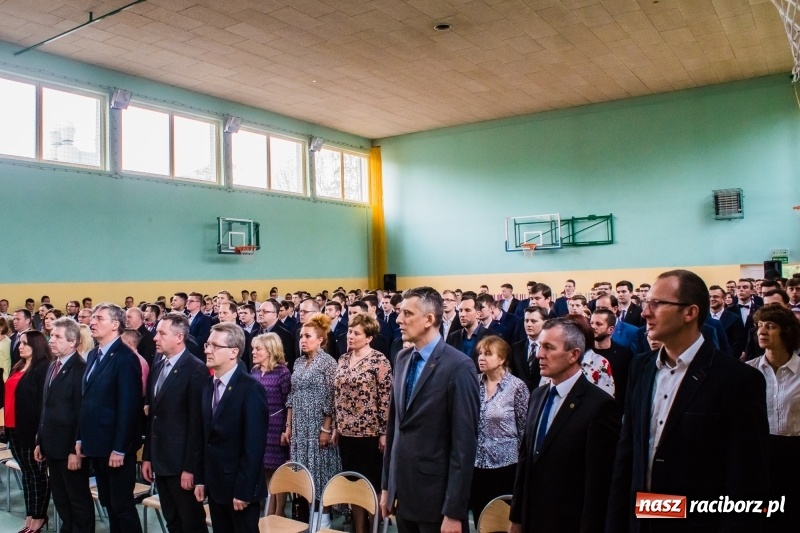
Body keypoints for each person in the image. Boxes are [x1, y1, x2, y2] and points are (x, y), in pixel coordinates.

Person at [607, 270, 770, 532]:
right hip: (642, 519)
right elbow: (628, 454)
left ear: (690, 313)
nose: (645, 312)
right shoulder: (641, 367)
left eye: (657, 304)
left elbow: (746, 476)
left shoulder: (737, 379)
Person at [381, 287, 479, 533]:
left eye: (407, 313)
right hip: (403, 493)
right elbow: (395, 426)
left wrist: (455, 511)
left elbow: (464, 445)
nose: (399, 319)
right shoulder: (402, 359)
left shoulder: (459, 366)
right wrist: (387, 487)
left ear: (429, 319)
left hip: (437, 499)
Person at [509, 318, 619, 533]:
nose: (540, 354)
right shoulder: (538, 395)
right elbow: (526, 462)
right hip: (532, 520)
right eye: (540, 346)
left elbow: (598, 484)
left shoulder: (599, 406)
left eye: (549, 347)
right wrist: (516, 518)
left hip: (569, 522)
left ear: (574, 354)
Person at [194, 323, 269, 533]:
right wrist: (200, 479)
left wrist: (244, 490)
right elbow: (203, 437)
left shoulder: (251, 389)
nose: (207, 350)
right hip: (214, 483)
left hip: (239, 487)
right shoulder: (208, 385)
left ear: (233, 352)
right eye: (207, 344)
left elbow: (254, 446)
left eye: (215, 346)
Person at [77, 303, 143, 533]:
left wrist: (120, 448)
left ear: (115, 325)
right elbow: (86, 400)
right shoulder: (95, 353)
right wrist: (80, 438)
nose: (92, 322)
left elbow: (129, 407)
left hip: (115, 448)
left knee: (121, 506)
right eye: (92, 317)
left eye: (99, 318)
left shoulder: (125, 357)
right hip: (96, 443)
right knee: (108, 502)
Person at [142, 313, 209, 533]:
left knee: (191, 522)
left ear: (179, 337)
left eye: (161, 333)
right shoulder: (159, 365)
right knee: (172, 521)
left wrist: (190, 468)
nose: (155, 338)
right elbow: (154, 416)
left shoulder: (195, 369)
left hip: (182, 464)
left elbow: (196, 425)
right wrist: (148, 457)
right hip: (161, 460)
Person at [333, 314, 392, 533]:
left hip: (370, 433)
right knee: (353, 484)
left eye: (356, 333)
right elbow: (337, 395)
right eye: (349, 331)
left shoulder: (379, 361)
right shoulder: (343, 359)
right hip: (346, 433)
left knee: (371, 485)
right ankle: (360, 529)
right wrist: (337, 426)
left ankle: (375, 527)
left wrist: (384, 432)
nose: (351, 336)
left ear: (369, 337)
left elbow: (386, 399)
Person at [283, 313, 341, 529]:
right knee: (303, 474)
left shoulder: (328, 363)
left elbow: (332, 397)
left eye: (308, 336)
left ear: (321, 339)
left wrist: (326, 428)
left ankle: (323, 520)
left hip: (318, 425)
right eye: (301, 336)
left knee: (320, 472)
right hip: (300, 426)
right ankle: (308, 518)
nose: (303, 340)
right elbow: (292, 395)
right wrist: (288, 425)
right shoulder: (298, 362)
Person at [35, 317, 93, 533]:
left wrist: (74, 450)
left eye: (58, 337)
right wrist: (40, 440)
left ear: (73, 342)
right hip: (51, 446)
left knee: (77, 500)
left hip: (69, 449)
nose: (51, 340)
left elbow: (81, 414)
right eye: (52, 336)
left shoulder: (80, 369)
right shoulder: (53, 365)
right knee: (61, 499)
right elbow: (46, 407)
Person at [746, 304, 800, 531]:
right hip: (760, 450)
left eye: (770, 326)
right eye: (759, 326)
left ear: (786, 331)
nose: (762, 331)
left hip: (796, 451)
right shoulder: (748, 371)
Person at [470, 336, 528, 528]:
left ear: (502, 359)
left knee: (502, 523)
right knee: (480, 520)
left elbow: (524, 429)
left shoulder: (516, 387)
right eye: (480, 354)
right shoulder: (473, 383)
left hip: (506, 466)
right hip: (476, 464)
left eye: (488, 354)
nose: (481, 358)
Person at [5, 330, 53, 532]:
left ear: (37, 345)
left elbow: (43, 404)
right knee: (27, 474)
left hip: (29, 429)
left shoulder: (42, 368)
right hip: (12, 426)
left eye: (25, 343)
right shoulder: (19, 366)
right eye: (20, 343)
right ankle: (30, 515)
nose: (20, 346)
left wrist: (39, 435)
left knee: (36, 474)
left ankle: (39, 517)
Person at [250, 332, 291, 517]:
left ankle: (278, 513)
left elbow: (288, 402)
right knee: (265, 471)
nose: (253, 352)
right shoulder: (254, 371)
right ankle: (268, 512)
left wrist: (286, 429)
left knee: (278, 472)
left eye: (258, 349)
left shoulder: (282, 372)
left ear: (270, 350)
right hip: (259, 427)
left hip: (277, 427)